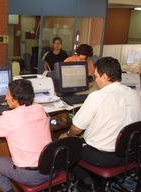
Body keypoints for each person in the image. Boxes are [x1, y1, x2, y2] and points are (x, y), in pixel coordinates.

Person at [59, 57, 141, 191]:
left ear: (105, 76)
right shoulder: (135, 94)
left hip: (103, 158)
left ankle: (87, 183)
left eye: (96, 76)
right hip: (130, 154)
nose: (95, 80)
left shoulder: (98, 96)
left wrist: (67, 134)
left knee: (69, 145)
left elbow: (76, 129)